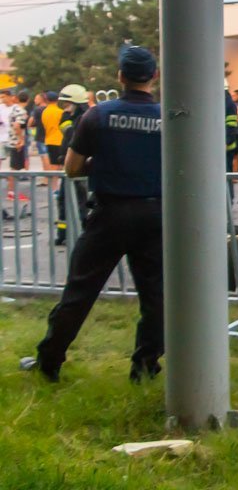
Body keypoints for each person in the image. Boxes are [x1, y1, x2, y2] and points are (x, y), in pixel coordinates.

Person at [19, 46, 163, 383]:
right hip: (155, 214)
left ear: (120, 77)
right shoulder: (166, 116)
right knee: (156, 296)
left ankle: (49, 361)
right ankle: (144, 368)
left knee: (80, 292)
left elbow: (71, 169)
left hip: (110, 214)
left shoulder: (98, 116)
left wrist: (105, 163)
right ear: (153, 76)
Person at [53, 84, 90, 245]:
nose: (66, 107)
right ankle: (63, 233)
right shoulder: (73, 117)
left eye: (68, 104)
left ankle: (82, 233)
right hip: (69, 166)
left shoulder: (83, 118)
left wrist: (66, 121)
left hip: (78, 168)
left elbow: (72, 137)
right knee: (63, 200)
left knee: (80, 201)